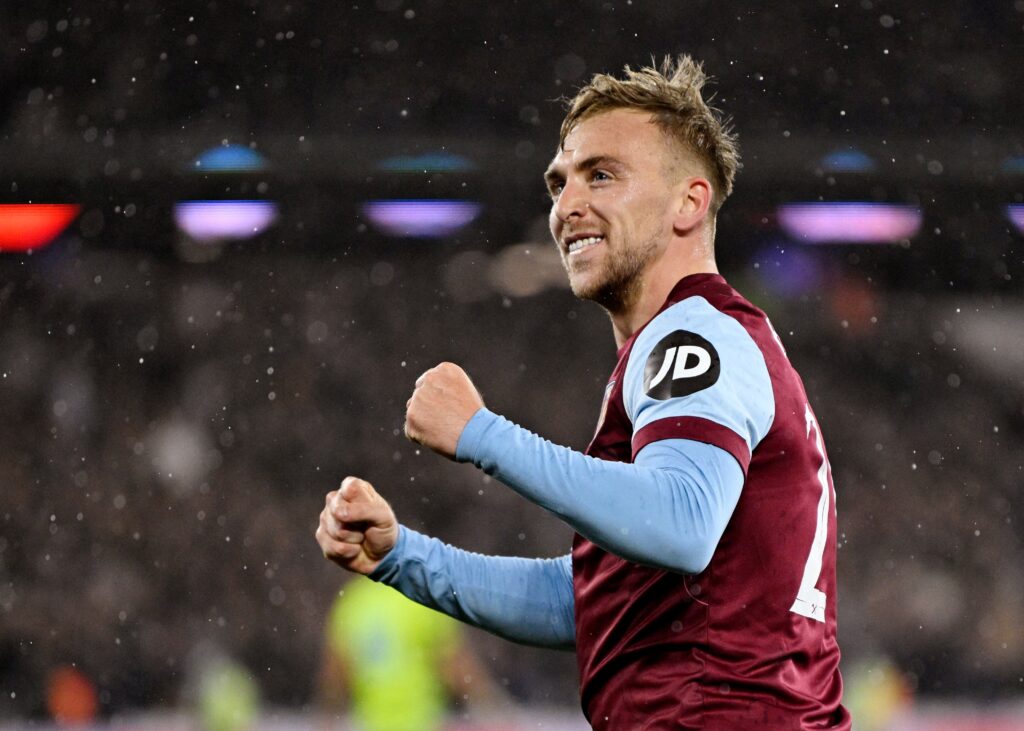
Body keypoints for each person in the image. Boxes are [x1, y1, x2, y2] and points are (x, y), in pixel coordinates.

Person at [316, 55, 850, 729]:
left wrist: (482, 433)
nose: (567, 206)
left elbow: (681, 525)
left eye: (602, 175)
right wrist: (403, 558)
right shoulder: (691, 347)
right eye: (559, 182)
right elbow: (597, 603)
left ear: (689, 202)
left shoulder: (692, 335)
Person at [318, 575, 503, 731]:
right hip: (423, 723)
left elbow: (336, 676)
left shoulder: (353, 601)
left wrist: (325, 718)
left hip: (372, 724)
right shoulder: (422, 599)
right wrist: (491, 707)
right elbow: (455, 667)